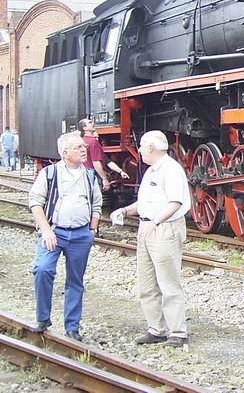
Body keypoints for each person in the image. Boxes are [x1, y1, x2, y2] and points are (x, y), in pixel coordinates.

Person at [109, 130, 190, 347]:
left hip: (164, 228)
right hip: (147, 227)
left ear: (152, 148)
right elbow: (145, 204)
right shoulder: (152, 171)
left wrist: (155, 222)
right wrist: (125, 211)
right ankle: (156, 328)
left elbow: (175, 203)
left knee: (168, 282)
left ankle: (177, 332)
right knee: (147, 282)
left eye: (142, 147)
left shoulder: (171, 170)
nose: (140, 151)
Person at [28, 132, 102, 341]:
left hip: (80, 234)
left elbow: (96, 203)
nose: (83, 149)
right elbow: (35, 202)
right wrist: (46, 230)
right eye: (78, 147)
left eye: (82, 146)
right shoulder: (49, 173)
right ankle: (43, 317)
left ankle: (72, 326)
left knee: (75, 281)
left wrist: (92, 229)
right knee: (42, 269)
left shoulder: (89, 175)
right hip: (54, 231)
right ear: (65, 152)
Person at [78, 118, 129, 191]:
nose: (93, 123)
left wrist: (120, 171)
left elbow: (107, 161)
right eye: (90, 122)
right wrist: (104, 179)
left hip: (83, 174)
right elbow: (96, 162)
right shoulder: (93, 142)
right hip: (92, 175)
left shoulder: (81, 141)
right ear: (85, 128)